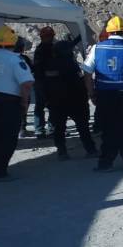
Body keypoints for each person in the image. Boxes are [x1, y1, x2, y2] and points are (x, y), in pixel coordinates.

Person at [82, 16, 123, 171]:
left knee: (108, 130)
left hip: (105, 96)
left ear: (109, 31)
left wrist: (91, 94)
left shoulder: (97, 48)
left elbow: (86, 72)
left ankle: (106, 163)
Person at [36, 26, 97, 160]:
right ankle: (90, 149)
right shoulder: (72, 65)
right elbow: (82, 83)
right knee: (83, 126)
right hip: (76, 101)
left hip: (57, 101)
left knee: (59, 128)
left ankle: (62, 152)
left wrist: (47, 100)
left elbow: (43, 83)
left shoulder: (50, 64)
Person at [0, 25, 34, 181]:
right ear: (13, 43)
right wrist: (24, 103)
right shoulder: (15, 60)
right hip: (7, 103)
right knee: (7, 137)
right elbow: (26, 84)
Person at [30, 26, 55, 138]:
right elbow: (38, 68)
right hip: (43, 81)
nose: (50, 38)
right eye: (49, 36)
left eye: (50, 36)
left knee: (51, 106)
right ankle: (42, 130)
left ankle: (48, 129)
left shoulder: (50, 48)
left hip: (46, 81)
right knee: (42, 106)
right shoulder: (42, 50)